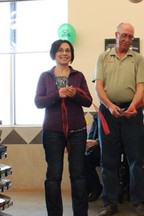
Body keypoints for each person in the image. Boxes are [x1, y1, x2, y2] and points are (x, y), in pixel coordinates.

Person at [95, 22, 144, 216]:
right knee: (108, 161)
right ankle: (109, 203)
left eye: (130, 37)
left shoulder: (138, 58)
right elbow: (99, 87)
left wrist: (134, 106)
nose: (127, 39)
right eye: (124, 35)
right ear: (116, 35)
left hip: (132, 113)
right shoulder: (103, 57)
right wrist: (110, 106)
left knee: (135, 160)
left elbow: (141, 86)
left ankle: (138, 202)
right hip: (108, 113)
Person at [34, 39, 92, 216]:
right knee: (53, 176)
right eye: (60, 50)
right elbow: (38, 102)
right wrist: (56, 94)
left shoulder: (78, 76)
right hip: (52, 132)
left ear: (72, 54)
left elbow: (88, 101)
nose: (64, 53)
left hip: (77, 131)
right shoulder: (45, 76)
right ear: (54, 53)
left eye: (68, 50)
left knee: (78, 175)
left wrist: (75, 95)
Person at [84, 113, 103, 202]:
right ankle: (94, 187)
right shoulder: (98, 116)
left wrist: (97, 142)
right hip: (98, 149)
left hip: (114, 149)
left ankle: (95, 188)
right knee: (83, 159)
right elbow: (92, 134)